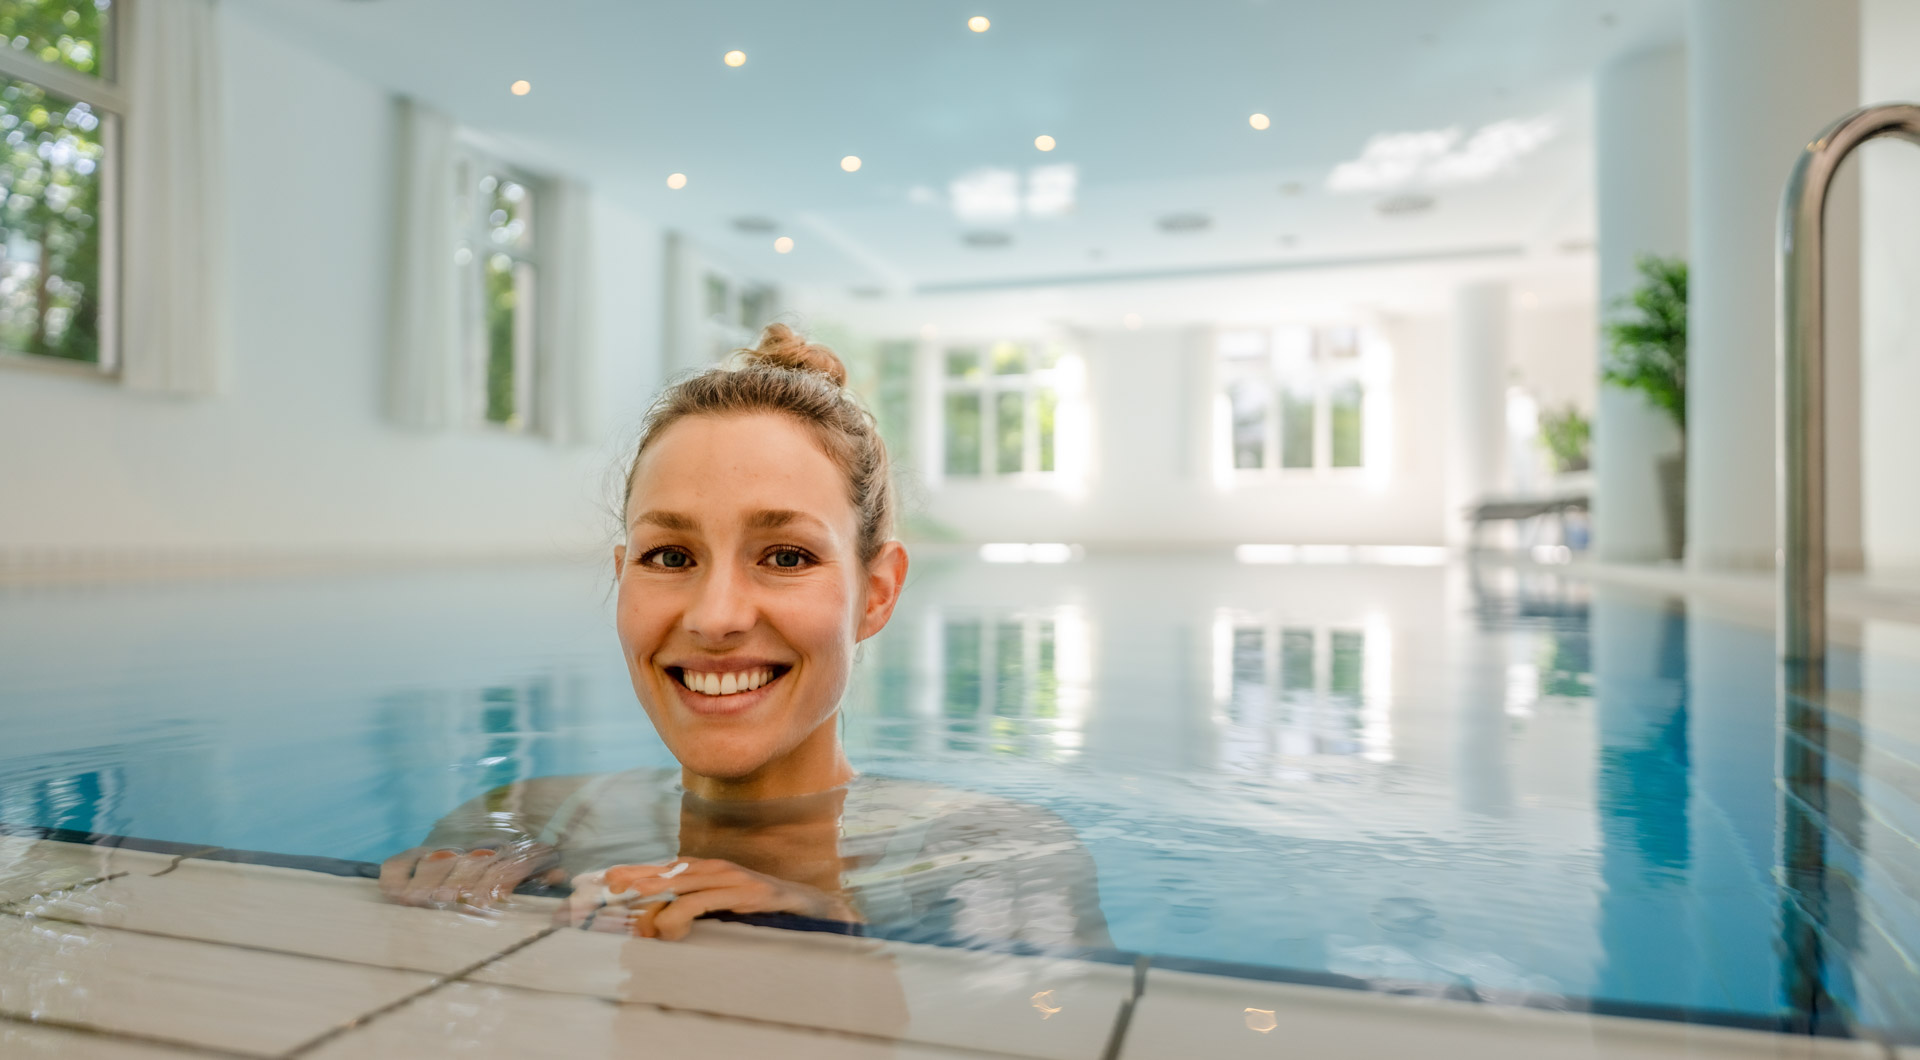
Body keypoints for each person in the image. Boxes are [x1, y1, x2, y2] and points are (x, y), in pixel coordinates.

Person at [380, 325, 1108, 949]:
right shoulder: (527, 821)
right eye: (670, 557)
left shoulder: (995, 855)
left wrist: (839, 930)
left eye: (786, 557)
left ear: (876, 593)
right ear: (621, 576)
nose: (715, 616)